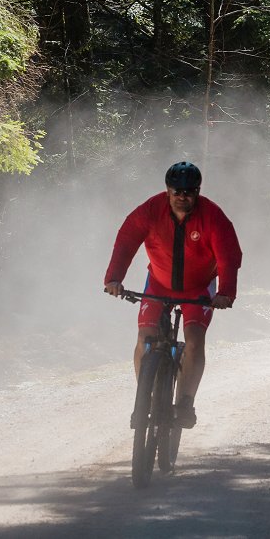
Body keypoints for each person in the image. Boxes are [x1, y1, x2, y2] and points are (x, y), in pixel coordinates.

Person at [104, 161, 242, 429]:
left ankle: (186, 403)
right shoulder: (150, 210)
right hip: (157, 283)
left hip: (199, 287)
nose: (183, 197)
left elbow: (229, 256)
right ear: (167, 190)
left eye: (189, 192)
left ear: (198, 192)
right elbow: (126, 240)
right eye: (177, 191)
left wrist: (225, 292)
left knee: (194, 339)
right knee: (144, 337)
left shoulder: (213, 217)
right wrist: (113, 278)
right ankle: (144, 398)